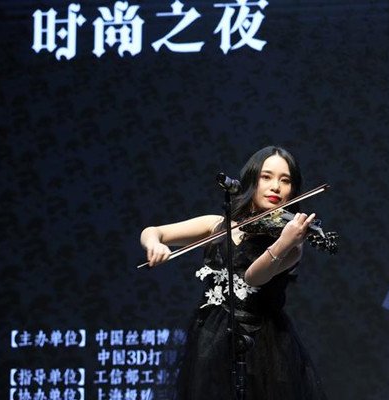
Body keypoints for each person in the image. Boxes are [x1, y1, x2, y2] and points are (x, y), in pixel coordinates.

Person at [140, 146, 327, 399]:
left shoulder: (292, 245)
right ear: (251, 180)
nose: (275, 187)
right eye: (266, 177)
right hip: (210, 337)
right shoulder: (216, 225)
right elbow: (154, 231)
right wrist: (154, 244)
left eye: (285, 181)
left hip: (263, 344)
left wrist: (283, 242)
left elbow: (253, 277)